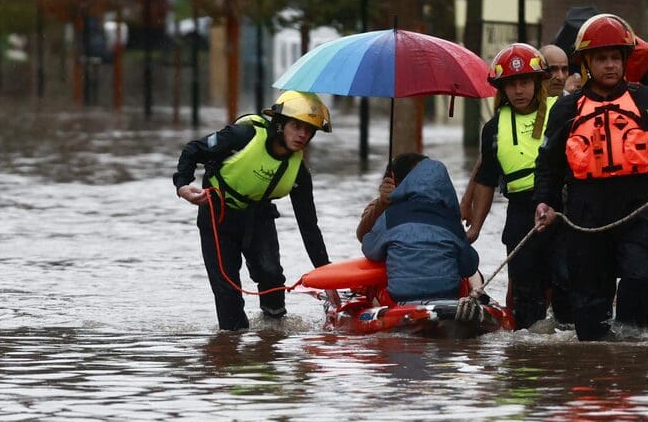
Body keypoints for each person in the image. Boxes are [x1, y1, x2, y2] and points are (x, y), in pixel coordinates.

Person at [533, 13, 648, 342]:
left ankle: (632, 359)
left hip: (636, 213)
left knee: (642, 283)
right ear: (586, 62)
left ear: (625, 60)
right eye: (601, 58)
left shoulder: (647, 101)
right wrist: (544, 202)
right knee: (590, 312)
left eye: (615, 57)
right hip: (585, 220)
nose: (610, 65)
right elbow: (548, 167)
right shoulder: (567, 110)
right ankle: (597, 369)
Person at [174, 90, 332, 330]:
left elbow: (309, 227)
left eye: (309, 130)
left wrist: (327, 277)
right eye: (296, 126)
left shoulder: (299, 173)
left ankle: (272, 335)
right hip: (218, 216)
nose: (302, 135)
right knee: (227, 293)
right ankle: (231, 349)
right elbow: (193, 150)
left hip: (259, 217)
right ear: (280, 124)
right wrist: (183, 186)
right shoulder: (242, 136)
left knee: (272, 275)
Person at [464, 43, 570, 330]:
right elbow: (486, 180)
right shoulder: (493, 128)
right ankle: (527, 364)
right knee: (526, 298)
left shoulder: (563, 110)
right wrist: (475, 226)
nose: (518, 90)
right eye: (511, 85)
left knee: (568, 286)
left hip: (563, 210)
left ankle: (570, 359)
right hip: (521, 214)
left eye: (524, 82)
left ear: (538, 82)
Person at [359, 153, 480, 302]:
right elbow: (469, 264)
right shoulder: (448, 216)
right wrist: (382, 204)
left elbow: (369, 249)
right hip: (447, 293)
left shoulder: (391, 216)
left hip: (400, 293)